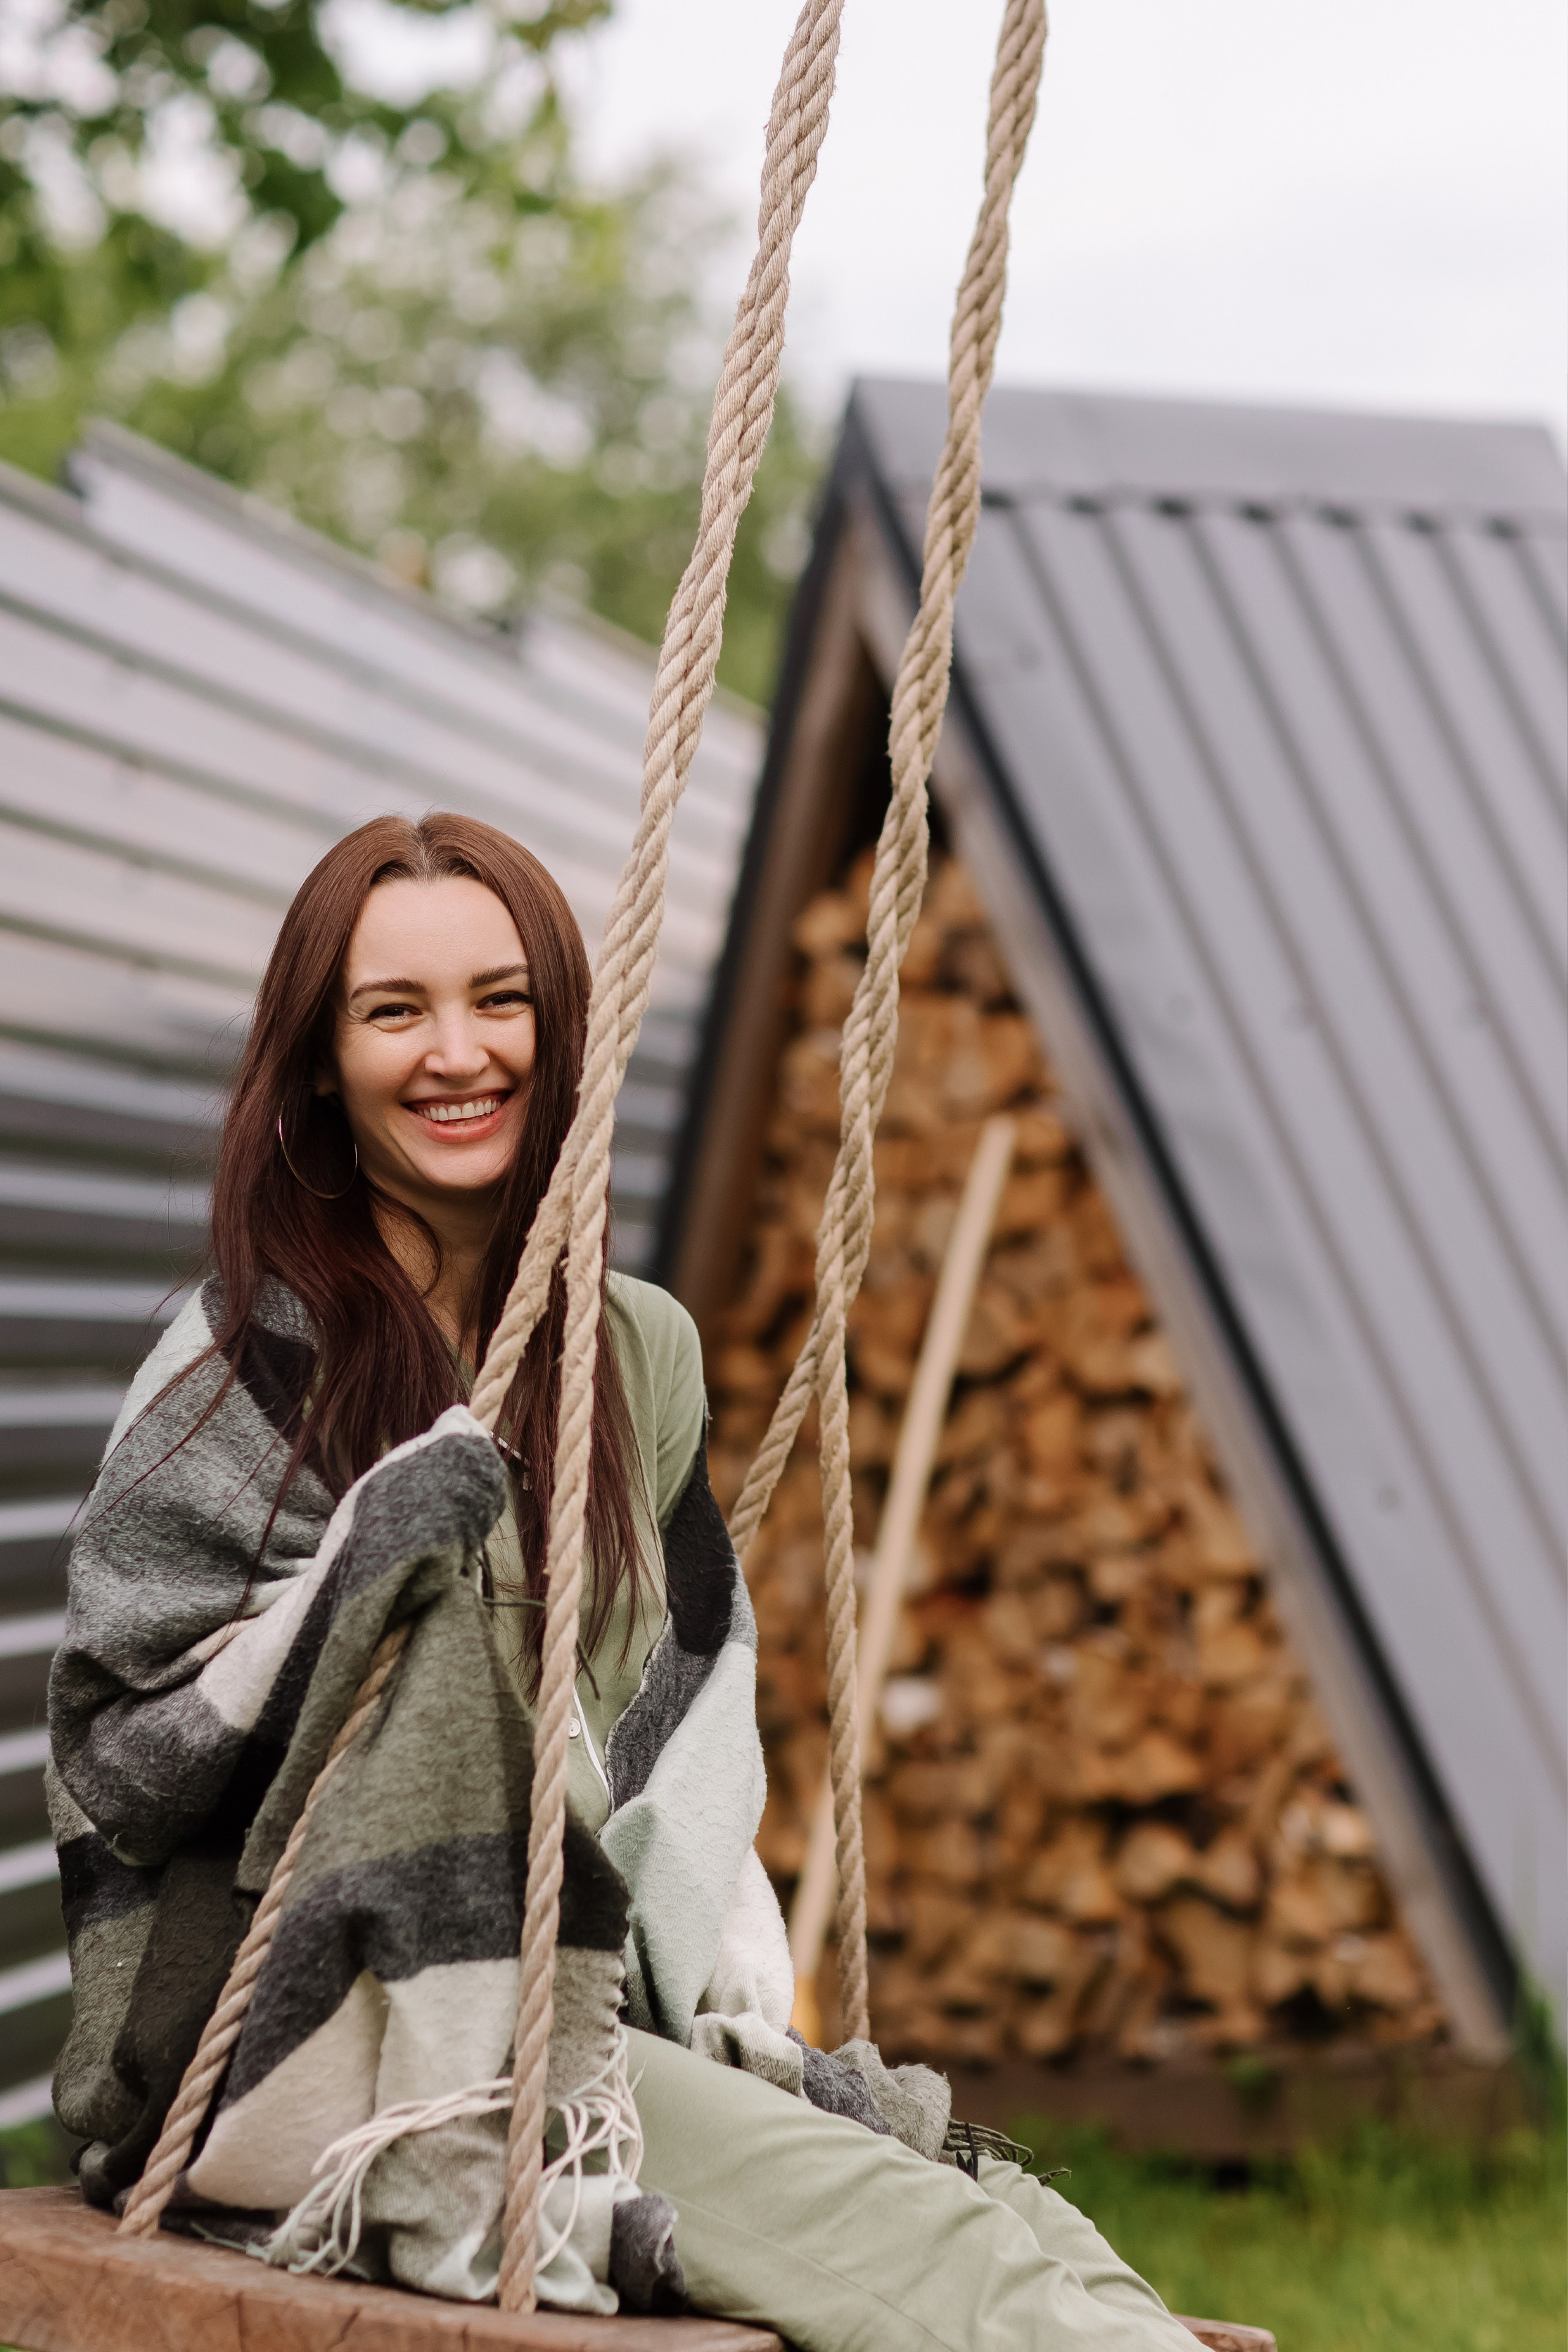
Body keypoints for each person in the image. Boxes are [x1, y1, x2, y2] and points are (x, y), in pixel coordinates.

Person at [49, 812, 1203, 2351]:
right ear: (321, 1062)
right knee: (933, 2254)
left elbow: (664, 1719)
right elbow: (121, 1758)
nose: (457, 1052)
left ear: (563, 1026)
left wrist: (723, 2024)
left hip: (573, 2001)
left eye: (501, 998)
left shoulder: (632, 1349)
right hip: (313, 2041)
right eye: (393, 1011)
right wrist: (366, 1571)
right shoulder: (239, 1364)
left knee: (1025, 2224)